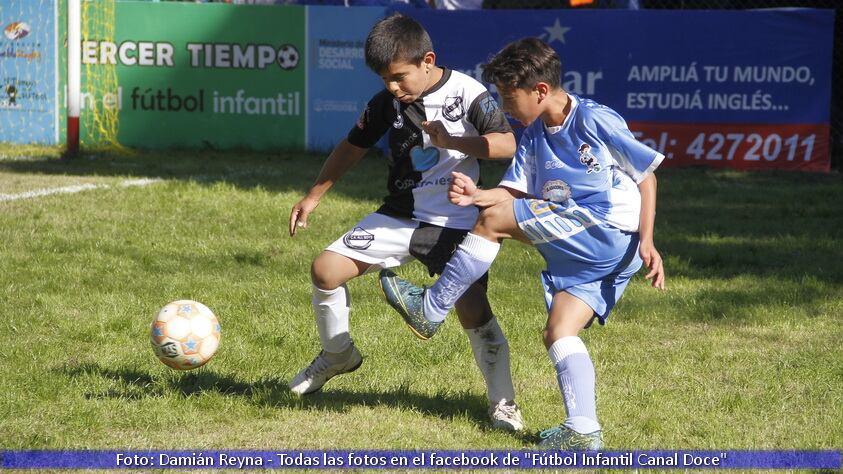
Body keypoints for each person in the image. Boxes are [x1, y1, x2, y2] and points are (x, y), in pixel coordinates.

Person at [380, 37, 666, 450]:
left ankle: (432, 308)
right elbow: (514, 194)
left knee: (492, 222)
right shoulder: (532, 136)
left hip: (607, 231)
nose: (504, 108)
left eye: (508, 98)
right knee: (559, 331)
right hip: (597, 250)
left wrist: (649, 240)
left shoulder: (595, 120)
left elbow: (647, 174)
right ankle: (584, 430)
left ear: (541, 91)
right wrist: (478, 195)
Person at [288, 13, 524, 431]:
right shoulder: (387, 103)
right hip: (398, 214)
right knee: (324, 270)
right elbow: (353, 145)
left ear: (427, 60)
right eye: (385, 80)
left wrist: (454, 141)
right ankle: (339, 354)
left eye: (399, 77)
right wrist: (314, 194)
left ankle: (503, 404)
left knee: (473, 312)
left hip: (455, 223)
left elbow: (505, 145)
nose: (393, 88)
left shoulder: (468, 93)